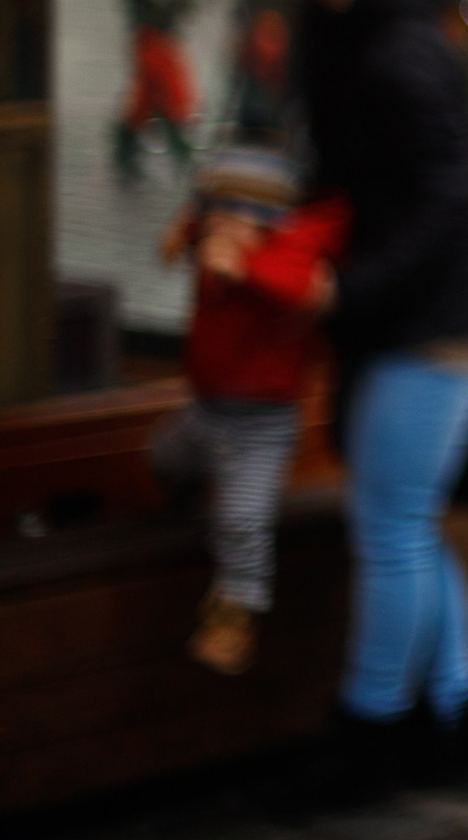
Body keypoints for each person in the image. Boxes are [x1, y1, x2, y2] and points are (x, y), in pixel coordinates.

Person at [257, 0, 468, 802]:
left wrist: (343, 287)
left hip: (443, 324)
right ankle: (454, 714)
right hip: (400, 311)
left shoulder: (400, 52)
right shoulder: (334, 24)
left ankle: (367, 733)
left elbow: (451, 204)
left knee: (392, 525)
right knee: (405, 518)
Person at [149, 145, 349, 675]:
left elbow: (299, 290)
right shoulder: (212, 233)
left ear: (269, 222)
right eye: (217, 213)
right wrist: (183, 235)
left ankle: (235, 613)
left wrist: (244, 270)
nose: (225, 227)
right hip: (206, 407)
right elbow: (195, 225)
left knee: (243, 521)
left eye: (239, 218)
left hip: (261, 424)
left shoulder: (286, 253)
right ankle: (188, 497)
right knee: (164, 458)